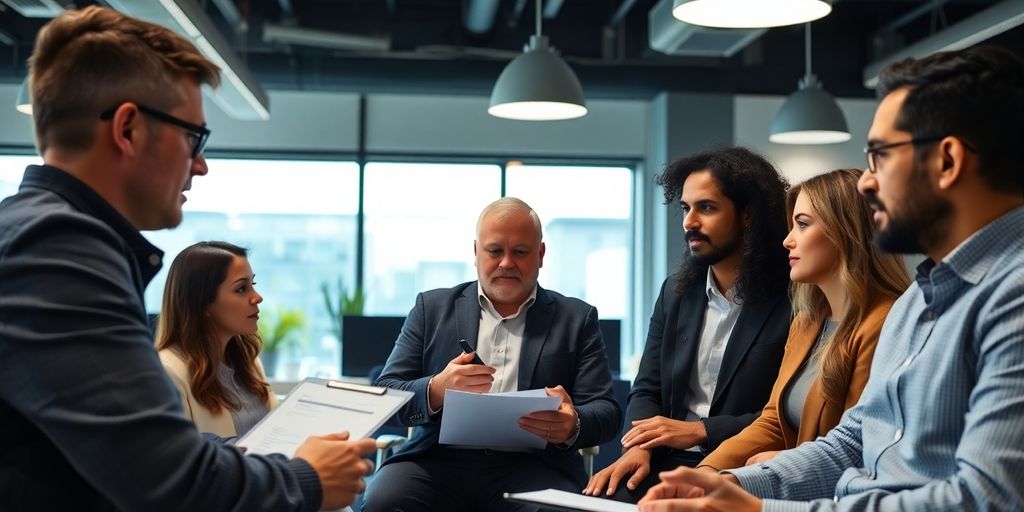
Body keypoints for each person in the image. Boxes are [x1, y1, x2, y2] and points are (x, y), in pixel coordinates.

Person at [0, 7, 374, 510]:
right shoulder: (57, 248)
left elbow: (134, 449)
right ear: (128, 129)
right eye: (193, 137)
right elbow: (166, 479)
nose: (200, 164)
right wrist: (305, 480)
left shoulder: (32, 230)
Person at [639, 45, 1024, 511]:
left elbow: (986, 500)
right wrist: (727, 483)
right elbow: (851, 442)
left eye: (880, 156)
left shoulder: (1010, 299)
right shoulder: (916, 303)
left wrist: (761, 509)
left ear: (947, 161)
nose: (865, 181)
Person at [363, 197, 622, 512]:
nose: (506, 263)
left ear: (540, 255)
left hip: (535, 465)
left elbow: (607, 411)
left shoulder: (576, 318)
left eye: (521, 252)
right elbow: (386, 393)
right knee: (384, 502)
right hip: (435, 461)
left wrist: (574, 423)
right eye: (495, 251)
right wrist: (436, 389)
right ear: (476, 252)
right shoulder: (431, 309)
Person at [584, 146, 792, 502]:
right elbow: (647, 389)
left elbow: (785, 414)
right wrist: (638, 449)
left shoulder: (793, 299)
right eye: (685, 208)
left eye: (706, 208)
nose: (688, 222)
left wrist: (699, 431)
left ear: (747, 215)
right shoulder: (677, 293)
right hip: (665, 462)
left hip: (744, 466)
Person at [697, 169, 910, 472]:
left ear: (845, 232)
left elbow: (855, 445)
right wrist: (706, 472)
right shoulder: (806, 322)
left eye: (803, 225)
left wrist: (781, 464)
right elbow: (772, 421)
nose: (787, 241)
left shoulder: (887, 323)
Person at [157, 241, 278, 437]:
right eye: (241, 289)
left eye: (252, 284)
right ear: (202, 303)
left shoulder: (248, 361)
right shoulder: (166, 371)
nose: (257, 297)